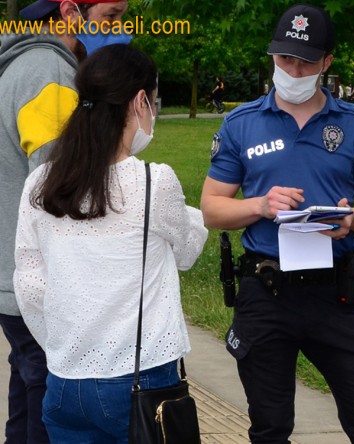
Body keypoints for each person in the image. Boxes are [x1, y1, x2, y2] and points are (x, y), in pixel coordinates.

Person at [200, 4, 354, 443]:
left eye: (305, 60)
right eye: (284, 58)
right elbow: (213, 208)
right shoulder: (241, 124)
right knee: (270, 427)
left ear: (326, 63)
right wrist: (260, 206)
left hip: (336, 294)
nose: (292, 69)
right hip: (267, 291)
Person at [13, 44, 207, 442]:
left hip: (65, 380)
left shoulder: (41, 183)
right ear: (140, 102)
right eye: (153, 102)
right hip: (142, 380)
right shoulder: (155, 182)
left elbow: (29, 284)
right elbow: (188, 251)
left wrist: (60, 348)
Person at [0, 1, 129, 442]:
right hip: (41, 281)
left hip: (15, 276)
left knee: (27, 391)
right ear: (72, 12)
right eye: (112, 16)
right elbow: (61, 186)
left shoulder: (18, 63)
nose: (119, 28)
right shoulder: (48, 71)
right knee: (47, 409)